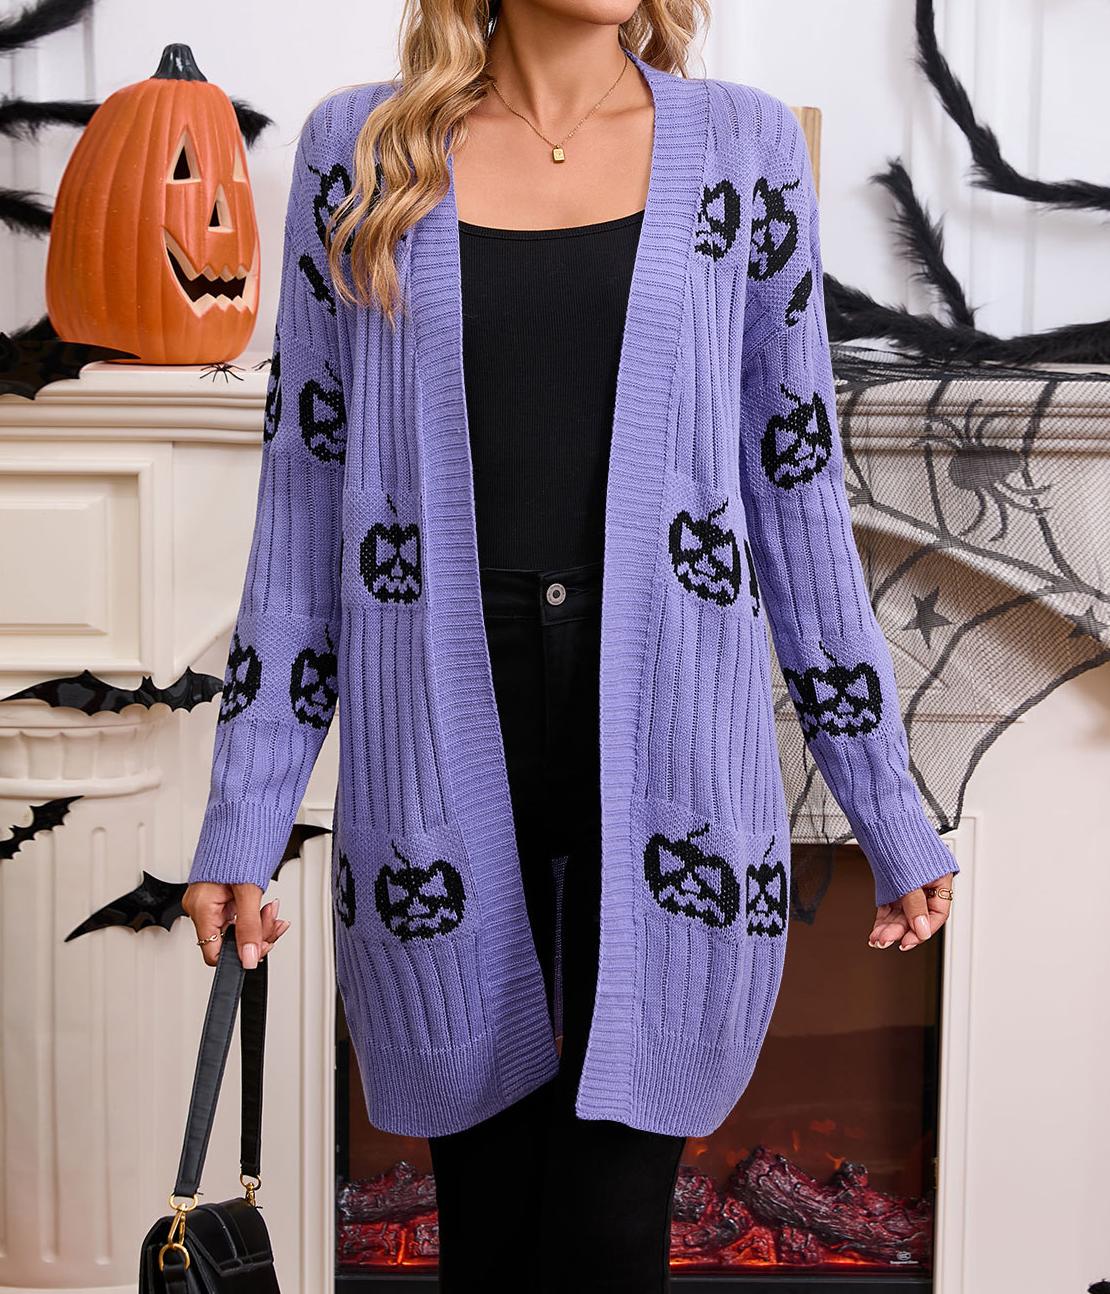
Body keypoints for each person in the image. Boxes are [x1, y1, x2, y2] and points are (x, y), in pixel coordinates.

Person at [182, 2, 957, 1289]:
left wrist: (885, 800)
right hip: (434, 740)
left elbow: (797, 493)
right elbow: (305, 499)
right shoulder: (360, 150)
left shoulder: (748, 151)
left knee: (610, 1228)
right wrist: (243, 815)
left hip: (675, 739)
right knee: (486, 1225)